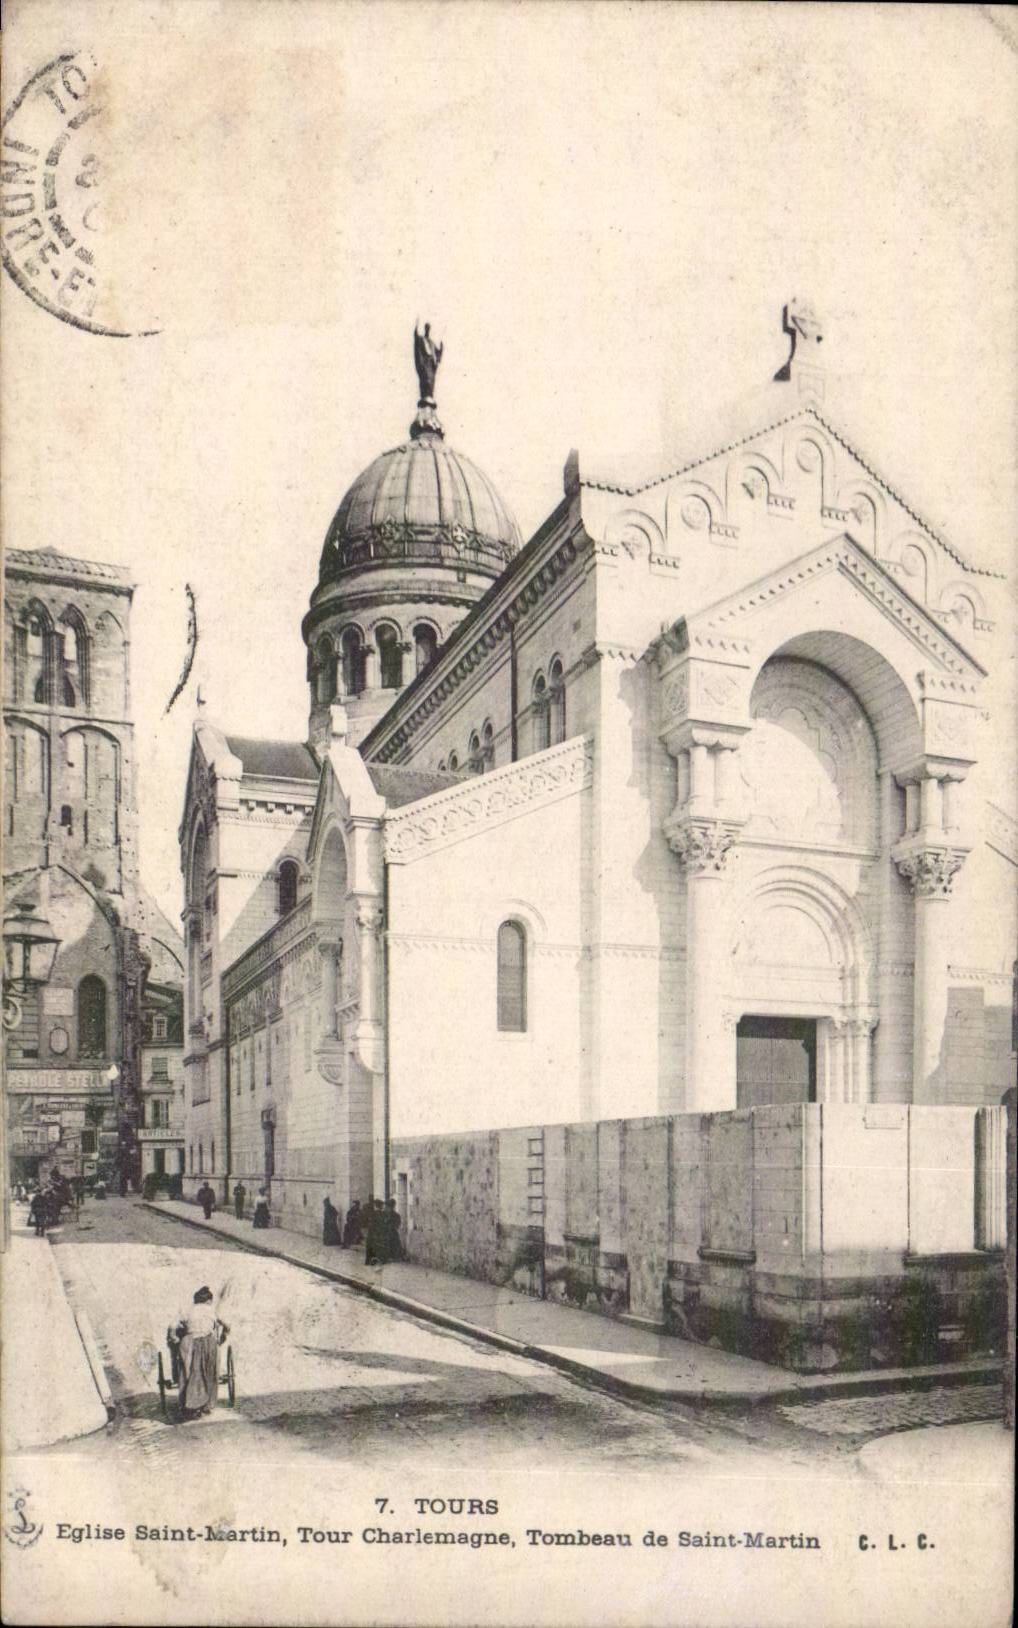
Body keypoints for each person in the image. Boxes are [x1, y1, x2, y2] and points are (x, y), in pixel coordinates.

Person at [173, 1286, 228, 1420]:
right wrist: (223, 1337)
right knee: (209, 1372)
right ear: (208, 1300)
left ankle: (188, 1404)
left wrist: (174, 1337)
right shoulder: (211, 1310)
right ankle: (205, 1405)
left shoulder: (188, 1310)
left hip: (190, 1341)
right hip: (207, 1342)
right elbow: (227, 1326)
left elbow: (173, 1326)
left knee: (189, 1372)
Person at [364, 1198, 389, 1266]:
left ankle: (369, 1261)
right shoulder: (383, 1214)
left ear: (376, 1206)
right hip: (380, 1232)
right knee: (380, 1246)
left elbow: (369, 1223)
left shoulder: (373, 1213)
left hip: (373, 1232)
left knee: (371, 1246)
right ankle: (381, 1259)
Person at [384, 1197, 404, 1261]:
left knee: (394, 1243)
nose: (387, 1208)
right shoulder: (385, 1214)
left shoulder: (396, 1215)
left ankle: (394, 1256)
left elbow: (398, 1224)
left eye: (388, 1207)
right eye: (387, 1207)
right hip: (387, 1231)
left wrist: (391, 1226)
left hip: (392, 1232)